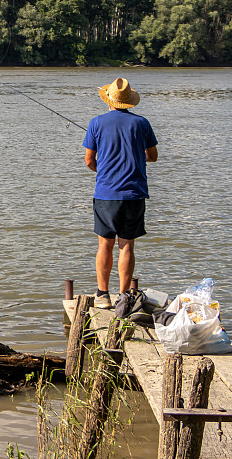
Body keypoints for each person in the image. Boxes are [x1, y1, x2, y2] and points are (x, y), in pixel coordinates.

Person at [82, 77, 158, 314]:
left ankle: (103, 295)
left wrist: (102, 170)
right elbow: (153, 156)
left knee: (105, 243)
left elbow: (88, 161)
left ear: (109, 100)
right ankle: (124, 297)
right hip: (134, 193)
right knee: (127, 246)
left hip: (106, 193)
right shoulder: (142, 124)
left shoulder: (96, 123)